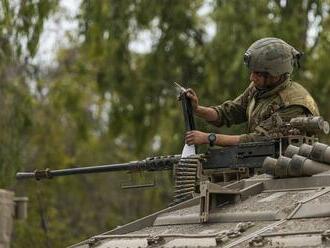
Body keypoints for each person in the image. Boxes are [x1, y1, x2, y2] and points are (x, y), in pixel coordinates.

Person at [185, 37, 319, 146]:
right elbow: (231, 112)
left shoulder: (293, 104)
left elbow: (257, 140)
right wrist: (197, 109)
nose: (252, 78)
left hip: (291, 171)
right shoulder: (259, 88)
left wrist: (210, 138)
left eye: (258, 74)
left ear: (276, 74)